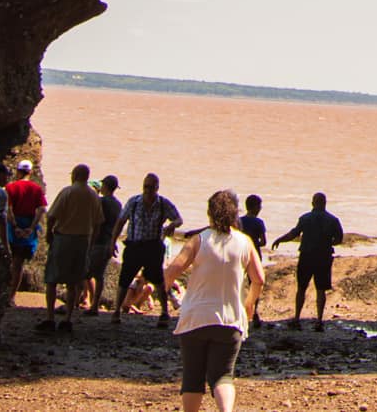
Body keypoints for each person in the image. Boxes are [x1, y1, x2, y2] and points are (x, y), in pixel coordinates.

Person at [165, 190, 262, 412]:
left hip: (195, 318)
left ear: (210, 213)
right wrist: (248, 304)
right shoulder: (244, 242)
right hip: (230, 319)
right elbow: (259, 279)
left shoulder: (199, 240)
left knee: (192, 377)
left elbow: (172, 270)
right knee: (223, 376)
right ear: (235, 213)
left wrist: (171, 293)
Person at [113, 174, 183, 326]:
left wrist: (172, 225)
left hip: (153, 246)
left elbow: (179, 219)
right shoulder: (134, 202)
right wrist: (113, 241)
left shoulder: (163, 204)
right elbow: (121, 221)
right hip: (134, 246)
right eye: (145, 186)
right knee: (125, 278)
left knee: (158, 280)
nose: (147, 190)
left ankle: (164, 312)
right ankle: (117, 311)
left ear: (157, 188)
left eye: (151, 187)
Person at [41, 163, 102, 333]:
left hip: (63, 238)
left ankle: (50, 318)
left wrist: (48, 233)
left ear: (74, 175)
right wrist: (91, 242)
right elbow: (98, 223)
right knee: (74, 282)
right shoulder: (93, 196)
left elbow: (52, 215)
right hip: (82, 240)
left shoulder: (67, 192)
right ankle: (68, 318)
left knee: (52, 278)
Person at [273, 193, 344, 332]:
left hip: (306, 256)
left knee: (301, 288)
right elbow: (339, 239)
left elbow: (293, 234)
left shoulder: (305, 218)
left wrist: (279, 239)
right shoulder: (333, 220)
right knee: (321, 289)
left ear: (313, 203)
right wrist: (328, 243)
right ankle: (319, 320)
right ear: (325, 203)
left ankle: (297, 318)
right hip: (323, 257)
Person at [3, 162, 46, 294]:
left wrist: (15, 226)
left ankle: (4, 293)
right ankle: (12, 295)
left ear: (18, 171)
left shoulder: (10, 187)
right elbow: (41, 209)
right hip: (29, 225)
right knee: (19, 263)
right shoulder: (37, 189)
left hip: (13, 226)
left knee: (9, 259)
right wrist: (31, 228)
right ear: (30, 172)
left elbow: (8, 209)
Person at [88, 176, 124, 316]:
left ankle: (85, 303)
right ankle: (95, 303)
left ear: (105, 186)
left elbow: (96, 221)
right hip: (109, 242)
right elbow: (118, 224)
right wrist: (113, 242)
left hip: (98, 241)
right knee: (99, 275)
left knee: (86, 273)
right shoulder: (118, 204)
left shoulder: (101, 202)